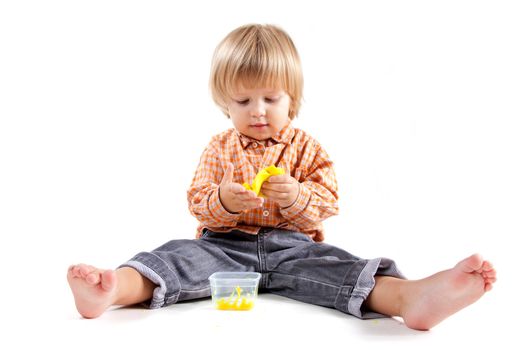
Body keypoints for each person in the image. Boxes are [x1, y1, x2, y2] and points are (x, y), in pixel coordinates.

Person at [67, 24, 496, 330]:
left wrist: (295, 197)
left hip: (295, 249)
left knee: (339, 268)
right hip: (225, 249)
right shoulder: (220, 148)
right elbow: (197, 200)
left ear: (293, 100)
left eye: (271, 98)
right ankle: (112, 289)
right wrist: (223, 201)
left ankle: (410, 298)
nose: (257, 110)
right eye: (243, 99)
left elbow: (329, 198)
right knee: (177, 257)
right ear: (224, 105)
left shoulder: (306, 147)